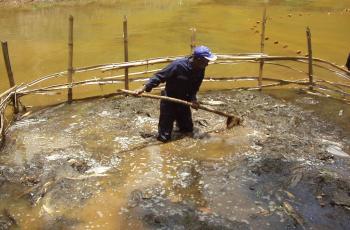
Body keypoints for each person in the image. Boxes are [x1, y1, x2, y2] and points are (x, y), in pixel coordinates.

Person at [135, 45, 217, 142]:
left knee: (187, 130)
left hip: (184, 101)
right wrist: (144, 87)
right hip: (169, 99)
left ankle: (179, 126)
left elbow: (195, 87)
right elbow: (159, 76)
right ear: (198, 59)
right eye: (206, 61)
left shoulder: (200, 68)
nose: (207, 64)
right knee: (164, 137)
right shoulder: (178, 65)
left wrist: (193, 99)